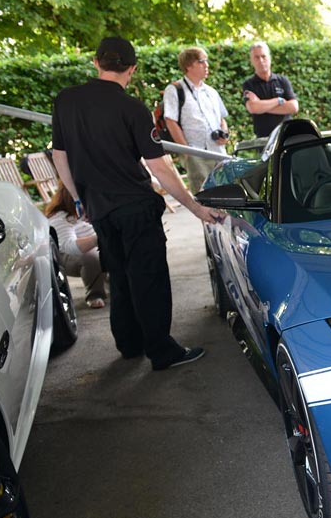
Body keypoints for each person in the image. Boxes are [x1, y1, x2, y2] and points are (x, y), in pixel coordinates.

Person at [51, 36, 222, 371]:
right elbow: (160, 167)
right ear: (131, 69)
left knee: (120, 276)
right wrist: (195, 207)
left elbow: (60, 156)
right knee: (149, 279)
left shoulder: (66, 100)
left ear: (96, 63)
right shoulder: (132, 108)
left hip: (99, 209)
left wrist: (79, 199)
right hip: (136, 208)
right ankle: (162, 351)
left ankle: (129, 344)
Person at [162, 46, 230, 193]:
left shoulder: (211, 92)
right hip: (196, 154)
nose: (207, 65)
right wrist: (187, 152)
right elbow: (170, 120)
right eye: (202, 61)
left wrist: (224, 133)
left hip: (219, 152)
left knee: (226, 194)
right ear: (189, 66)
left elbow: (222, 119)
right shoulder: (175, 90)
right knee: (204, 196)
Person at [43, 186, 107, 309]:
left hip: (91, 248)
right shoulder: (60, 219)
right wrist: (98, 239)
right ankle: (94, 294)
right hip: (64, 257)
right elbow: (69, 247)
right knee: (91, 257)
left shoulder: (91, 212)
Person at [241, 41, 300, 138]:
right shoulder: (249, 84)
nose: (261, 60)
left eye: (263, 56)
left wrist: (262, 106)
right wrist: (279, 100)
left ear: (269, 58)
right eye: (256, 57)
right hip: (264, 139)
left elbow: (293, 107)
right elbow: (253, 108)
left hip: (286, 136)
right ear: (251, 61)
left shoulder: (282, 81)